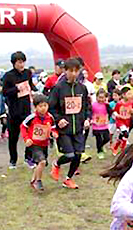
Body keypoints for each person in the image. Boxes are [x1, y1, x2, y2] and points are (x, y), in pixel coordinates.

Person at [49, 58, 91, 189]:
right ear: (65, 71)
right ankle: (56, 164)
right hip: (64, 129)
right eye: (70, 71)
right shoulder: (58, 88)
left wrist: (87, 119)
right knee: (69, 155)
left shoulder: (82, 88)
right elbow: (51, 107)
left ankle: (68, 179)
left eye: (76, 71)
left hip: (78, 128)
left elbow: (86, 106)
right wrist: (58, 119)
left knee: (78, 155)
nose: (73, 74)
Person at [3, 51, 37, 169]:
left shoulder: (27, 73)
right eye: (19, 62)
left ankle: (29, 158)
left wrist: (35, 91)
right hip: (13, 111)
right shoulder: (8, 76)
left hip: (26, 110)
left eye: (23, 62)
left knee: (29, 135)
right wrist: (16, 89)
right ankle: (13, 160)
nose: (21, 64)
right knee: (13, 137)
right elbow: (5, 92)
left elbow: (31, 85)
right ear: (14, 63)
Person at [20, 94, 58, 191]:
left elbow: (53, 128)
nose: (43, 108)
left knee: (41, 164)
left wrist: (54, 134)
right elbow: (23, 126)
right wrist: (26, 138)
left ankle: (33, 180)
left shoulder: (50, 117)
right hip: (34, 144)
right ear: (35, 107)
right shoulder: (32, 117)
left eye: (45, 106)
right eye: (40, 106)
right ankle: (38, 181)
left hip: (44, 144)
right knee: (42, 162)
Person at [111, 87, 133, 156]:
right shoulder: (119, 103)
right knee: (125, 134)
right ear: (124, 95)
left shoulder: (131, 103)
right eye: (129, 94)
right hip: (120, 122)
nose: (130, 95)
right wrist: (117, 115)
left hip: (127, 121)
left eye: (131, 94)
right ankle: (123, 150)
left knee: (121, 136)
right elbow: (114, 112)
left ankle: (115, 147)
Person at [92, 90, 112, 159]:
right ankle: (99, 151)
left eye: (103, 98)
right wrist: (92, 120)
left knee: (107, 138)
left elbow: (111, 112)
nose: (101, 99)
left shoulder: (106, 105)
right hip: (96, 126)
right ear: (96, 97)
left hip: (104, 125)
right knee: (99, 139)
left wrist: (107, 105)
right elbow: (90, 113)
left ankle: (101, 146)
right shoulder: (93, 105)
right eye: (99, 97)